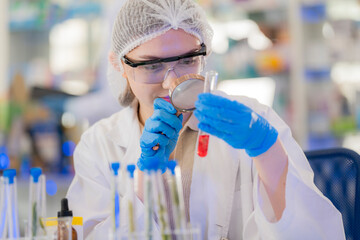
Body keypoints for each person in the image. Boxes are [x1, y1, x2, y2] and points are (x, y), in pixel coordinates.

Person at [66, 0, 345, 239]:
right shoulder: (98, 145)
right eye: (151, 66)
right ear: (120, 66)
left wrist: (268, 151)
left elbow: (317, 233)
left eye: (188, 60)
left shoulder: (253, 121)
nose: (171, 83)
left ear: (206, 54)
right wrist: (143, 188)